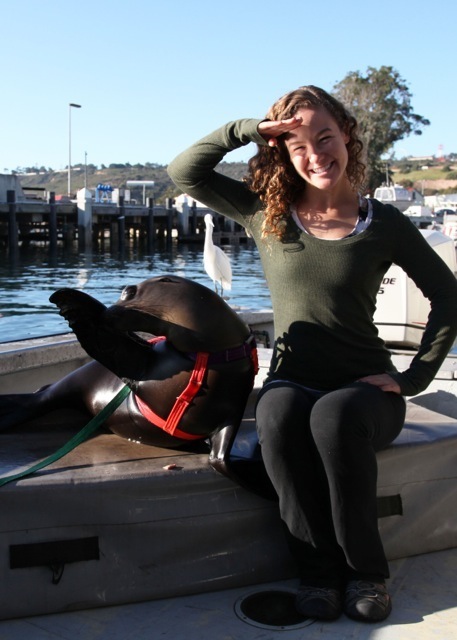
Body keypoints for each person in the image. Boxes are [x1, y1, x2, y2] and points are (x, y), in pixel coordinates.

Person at [167, 86, 457, 623]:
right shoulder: (266, 215)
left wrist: (414, 378)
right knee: (275, 415)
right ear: (283, 154)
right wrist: (249, 131)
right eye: (298, 146)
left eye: (324, 137)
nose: (315, 154)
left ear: (346, 134)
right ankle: (319, 575)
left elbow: (448, 294)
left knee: (334, 416)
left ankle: (367, 574)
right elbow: (185, 172)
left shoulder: (384, 223)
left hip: (364, 389)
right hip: (292, 379)